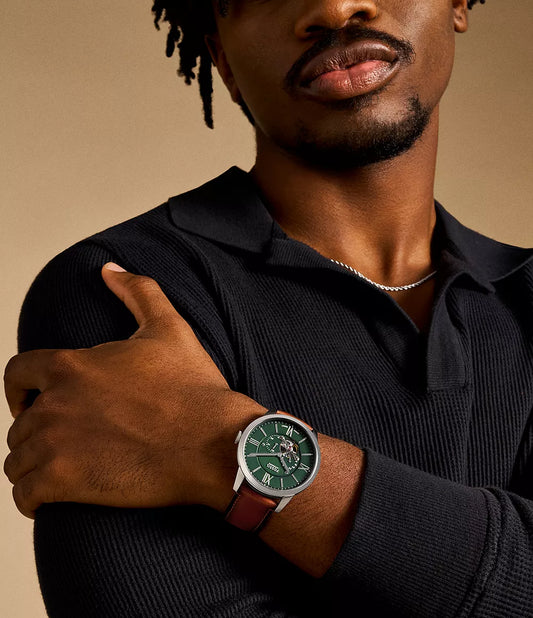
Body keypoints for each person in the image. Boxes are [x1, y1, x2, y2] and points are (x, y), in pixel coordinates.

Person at [4, 0, 533, 616]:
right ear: (222, 60)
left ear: (458, 4)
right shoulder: (126, 287)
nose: (334, 7)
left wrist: (217, 445)